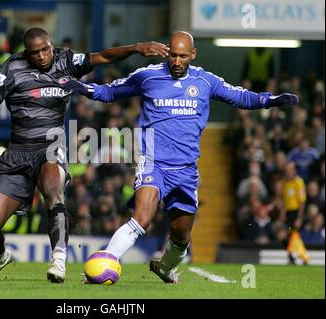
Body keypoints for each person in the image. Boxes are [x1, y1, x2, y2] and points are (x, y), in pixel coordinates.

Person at [64, 31, 298, 283]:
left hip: (186, 170)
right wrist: (82, 87)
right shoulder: (148, 76)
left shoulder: (206, 82)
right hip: (154, 162)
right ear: (167, 51)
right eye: (173, 55)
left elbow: (240, 96)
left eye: (183, 56)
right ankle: (108, 260)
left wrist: (270, 100)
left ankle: (164, 268)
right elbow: (110, 92)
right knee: (142, 217)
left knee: (181, 238)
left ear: (193, 55)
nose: (176, 61)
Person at [0, 27, 169, 283]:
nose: (43, 56)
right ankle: (0, 256)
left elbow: (103, 57)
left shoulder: (65, 60)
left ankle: (58, 258)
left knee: (54, 195)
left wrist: (136, 48)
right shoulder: (12, 68)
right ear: (26, 52)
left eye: (46, 49)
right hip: (17, 153)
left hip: (50, 148)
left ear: (51, 45)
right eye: (36, 53)